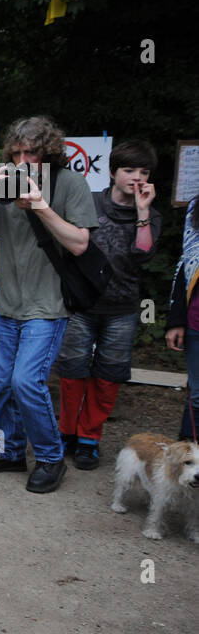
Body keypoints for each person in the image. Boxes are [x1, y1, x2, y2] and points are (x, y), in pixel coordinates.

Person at [0, 115, 97, 493]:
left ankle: (52, 457)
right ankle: (7, 452)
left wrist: (39, 204)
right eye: (18, 153)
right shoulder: (5, 184)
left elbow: (78, 243)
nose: (24, 161)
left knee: (27, 381)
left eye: (33, 154)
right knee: (4, 384)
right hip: (8, 304)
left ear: (49, 153)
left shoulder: (71, 183)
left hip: (48, 305)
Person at [53, 140, 160, 469]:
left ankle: (90, 437)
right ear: (113, 172)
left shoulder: (151, 213)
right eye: (129, 170)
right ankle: (66, 432)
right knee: (71, 372)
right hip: (82, 304)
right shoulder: (91, 201)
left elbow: (143, 254)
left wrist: (142, 212)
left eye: (143, 172)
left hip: (122, 308)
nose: (136, 177)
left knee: (108, 376)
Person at [165, 195, 199, 438]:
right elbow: (186, 262)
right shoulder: (196, 208)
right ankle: (190, 465)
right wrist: (176, 320)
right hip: (196, 321)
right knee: (198, 395)